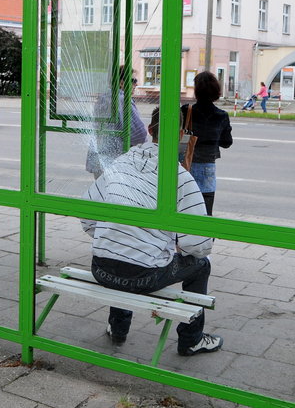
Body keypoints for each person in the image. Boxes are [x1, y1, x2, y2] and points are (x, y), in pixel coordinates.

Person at [81, 107, 222, 356]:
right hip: (143, 277)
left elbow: (87, 218)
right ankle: (191, 339)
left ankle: (118, 329)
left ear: (149, 131)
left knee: (122, 249)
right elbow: (199, 246)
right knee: (202, 265)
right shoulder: (179, 177)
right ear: (181, 135)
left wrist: (120, 235)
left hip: (101, 269)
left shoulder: (119, 164)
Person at [181, 72, 233, 216]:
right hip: (208, 169)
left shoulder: (186, 110)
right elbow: (227, 143)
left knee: (184, 208)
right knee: (205, 210)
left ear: (197, 91)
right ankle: (204, 238)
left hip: (186, 166)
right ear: (216, 91)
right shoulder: (221, 116)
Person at [86, 65, 147, 177]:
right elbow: (140, 135)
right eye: (133, 80)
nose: (136, 84)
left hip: (99, 159)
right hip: (116, 161)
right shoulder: (123, 100)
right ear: (121, 83)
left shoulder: (103, 98)